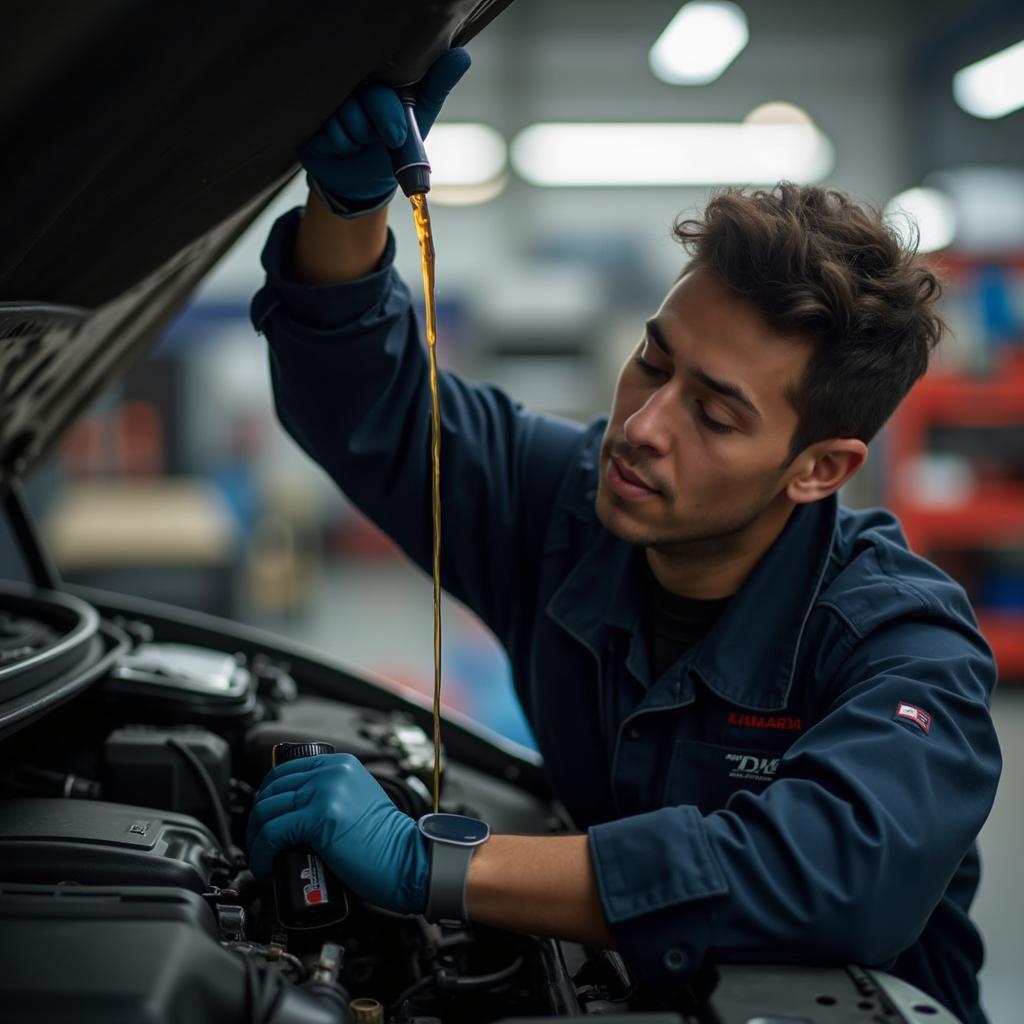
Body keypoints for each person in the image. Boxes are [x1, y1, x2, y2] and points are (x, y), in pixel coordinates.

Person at [246, 49, 1001, 1024]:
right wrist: (345, 213)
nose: (641, 426)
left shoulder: (905, 644)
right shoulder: (569, 506)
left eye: (715, 415)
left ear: (819, 468)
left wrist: (428, 862)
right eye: (652, 360)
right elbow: (377, 412)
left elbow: (830, 873)